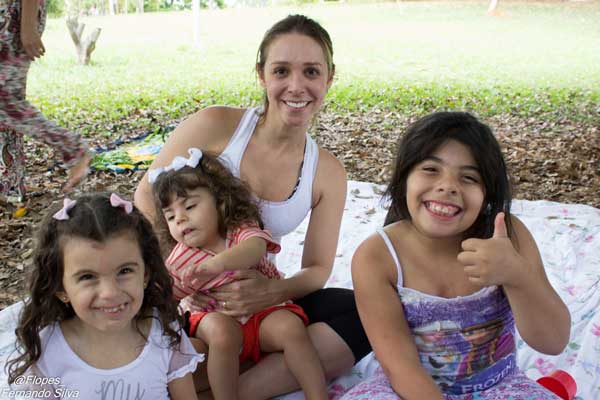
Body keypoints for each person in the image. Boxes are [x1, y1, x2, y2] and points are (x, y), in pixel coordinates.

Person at [134, 14, 371, 398]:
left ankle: (231, 385)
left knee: (367, 310)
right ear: (261, 75)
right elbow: (146, 196)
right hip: (193, 295)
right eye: (281, 71)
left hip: (259, 294)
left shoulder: (327, 172)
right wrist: (181, 274)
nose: (297, 86)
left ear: (329, 78)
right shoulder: (216, 125)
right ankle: (222, 369)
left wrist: (272, 293)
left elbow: (317, 269)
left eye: (311, 71)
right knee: (162, 338)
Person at [341, 112, 571, 399]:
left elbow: (553, 342)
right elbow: (400, 367)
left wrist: (517, 274)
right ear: (404, 178)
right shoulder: (377, 257)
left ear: (487, 194)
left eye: (469, 177)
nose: (448, 186)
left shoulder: (506, 237)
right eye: (430, 169)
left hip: (501, 388)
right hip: (409, 390)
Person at [151, 148, 328, 399]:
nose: (180, 219)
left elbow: (255, 249)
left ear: (220, 201)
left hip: (261, 314)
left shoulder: (239, 230)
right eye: (170, 216)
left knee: (291, 328)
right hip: (213, 316)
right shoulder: (180, 259)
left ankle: (318, 395)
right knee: (222, 333)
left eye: (190, 206)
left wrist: (217, 265)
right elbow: (167, 295)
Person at [6, 192, 203, 399]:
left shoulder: (163, 331)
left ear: (145, 274)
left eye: (124, 271)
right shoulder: (47, 354)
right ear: (60, 289)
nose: (110, 293)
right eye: (87, 277)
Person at [0, 0, 91, 203]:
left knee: (7, 103)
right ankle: (9, 185)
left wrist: (28, 25)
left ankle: (74, 149)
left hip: (13, 15)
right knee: (6, 107)